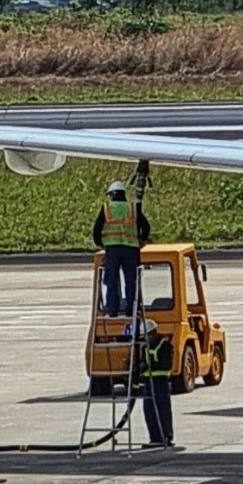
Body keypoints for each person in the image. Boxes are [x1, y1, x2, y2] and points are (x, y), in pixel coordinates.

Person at [92, 180, 150, 317]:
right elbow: (145, 225)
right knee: (131, 281)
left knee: (111, 280)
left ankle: (113, 310)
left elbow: (97, 228)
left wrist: (99, 243)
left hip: (112, 249)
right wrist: (142, 240)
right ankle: (132, 310)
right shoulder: (132, 208)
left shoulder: (107, 208)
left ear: (111, 194)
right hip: (130, 249)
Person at [136, 319, 176, 449]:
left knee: (162, 410)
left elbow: (166, 364)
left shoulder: (165, 346)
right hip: (148, 383)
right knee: (149, 411)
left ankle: (166, 436)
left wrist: (148, 366)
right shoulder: (144, 347)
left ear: (153, 333)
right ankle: (154, 438)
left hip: (161, 382)